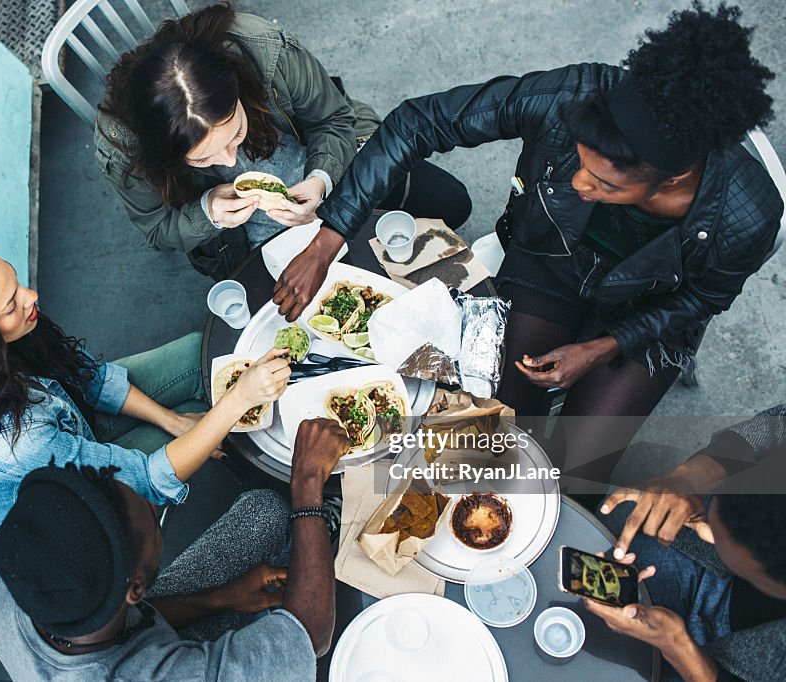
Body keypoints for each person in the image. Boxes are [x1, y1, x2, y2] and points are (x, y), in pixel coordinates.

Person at [272, 2, 781, 479]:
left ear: (671, 180)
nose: (580, 185)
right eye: (578, 161)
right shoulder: (571, 96)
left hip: (646, 313)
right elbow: (417, 122)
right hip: (550, 263)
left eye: (605, 184)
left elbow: (703, 298)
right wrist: (329, 236)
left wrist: (606, 347)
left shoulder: (746, 214)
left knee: (578, 475)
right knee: (501, 435)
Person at [0, 242, 290, 530]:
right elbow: (148, 478)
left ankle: (233, 427)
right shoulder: (12, 444)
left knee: (196, 354)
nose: (32, 296)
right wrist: (237, 401)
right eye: (12, 304)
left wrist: (174, 421)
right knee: (213, 417)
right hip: (82, 506)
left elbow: (88, 378)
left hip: (70, 422)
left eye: (16, 283)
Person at [96, 2, 471, 279]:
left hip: (332, 165)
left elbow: (334, 117)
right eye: (202, 160)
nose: (228, 163)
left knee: (452, 206)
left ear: (239, 91)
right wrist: (207, 212)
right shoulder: (121, 145)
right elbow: (159, 230)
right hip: (244, 240)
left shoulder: (264, 51)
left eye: (236, 134)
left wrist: (321, 179)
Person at [0, 418, 351, 680]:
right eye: (149, 510)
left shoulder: (18, 576)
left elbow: (117, 629)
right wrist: (307, 482)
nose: (156, 504)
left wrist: (220, 598)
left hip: (124, 641)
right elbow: (309, 636)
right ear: (137, 586)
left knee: (266, 512)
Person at [591, 407, 786, 681]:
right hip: (718, 583)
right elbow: (777, 425)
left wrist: (677, 647)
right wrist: (686, 480)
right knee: (632, 517)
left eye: (718, 539)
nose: (706, 533)